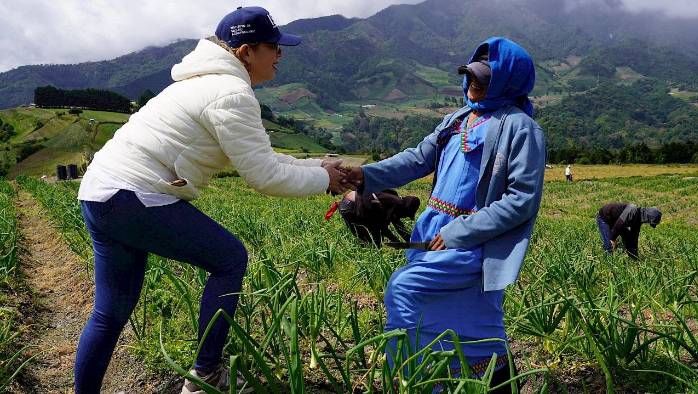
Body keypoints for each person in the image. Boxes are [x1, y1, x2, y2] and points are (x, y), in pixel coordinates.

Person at [74, 6, 350, 394]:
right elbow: (265, 176)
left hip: (101, 194)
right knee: (229, 259)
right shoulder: (231, 94)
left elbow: (263, 158)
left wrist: (320, 165)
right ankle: (205, 377)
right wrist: (325, 180)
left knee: (110, 312)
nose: (280, 55)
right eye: (273, 47)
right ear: (245, 53)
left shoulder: (202, 82)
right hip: (134, 195)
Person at [345, 37, 545, 391]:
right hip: (432, 229)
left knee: (403, 290)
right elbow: (418, 158)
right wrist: (366, 175)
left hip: (471, 238)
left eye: (483, 79)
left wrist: (460, 232)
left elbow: (521, 200)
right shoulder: (459, 119)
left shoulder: (521, 128)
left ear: (508, 81)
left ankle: (413, 380)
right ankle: (497, 376)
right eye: (470, 75)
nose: (473, 84)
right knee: (472, 312)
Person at [338, 189, 420, 247]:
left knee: (375, 239)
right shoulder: (392, 204)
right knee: (371, 242)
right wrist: (396, 241)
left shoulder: (396, 203)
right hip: (351, 207)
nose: (405, 217)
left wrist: (413, 243)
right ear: (405, 210)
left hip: (356, 204)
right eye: (407, 215)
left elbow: (399, 227)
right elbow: (382, 227)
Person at [596, 203, 662, 259]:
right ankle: (608, 265)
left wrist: (634, 254)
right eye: (649, 221)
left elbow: (634, 237)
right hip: (605, 218)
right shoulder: (632, 210)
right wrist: (613, 239)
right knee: (609, 245)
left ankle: (633, 260)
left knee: (629, 241)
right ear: (648, 217)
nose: (647, 223)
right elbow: (619, 224)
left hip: (617, 221)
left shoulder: (638, 220)